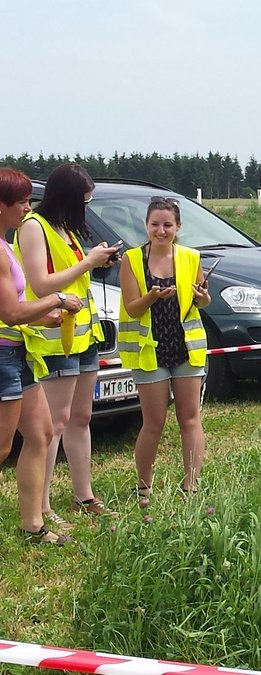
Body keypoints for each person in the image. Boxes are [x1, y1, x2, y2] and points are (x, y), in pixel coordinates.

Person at [16, 164, 119, 527]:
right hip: (53, 337)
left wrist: (96, 261)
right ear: (67, 197)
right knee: (54, 423)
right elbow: (41, 284)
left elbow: (72, 275)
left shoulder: (66, 229)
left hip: (83, 335)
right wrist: (88, 262)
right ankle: (42, 507)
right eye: (84, 199)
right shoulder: (34, 227)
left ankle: (83, 495)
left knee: (80, 417)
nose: (86, 206)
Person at [0, 168, 83, 544]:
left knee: (41, 433)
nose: (27, 208)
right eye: (20, 202)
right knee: (2, 446)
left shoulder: (6, 244)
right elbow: (10, 313)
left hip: (18, 352)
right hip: (3, 356)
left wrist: (43, 317)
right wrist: (57, 300)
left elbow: (15, 308)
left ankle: (33, 526)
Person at [118, 196, 210, 497]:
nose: (161, 230)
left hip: (185, 348)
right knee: (154, 423)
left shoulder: (191, 257)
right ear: (146, 225)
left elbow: (201, 300)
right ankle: (143, 488)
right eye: (155, 224)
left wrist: (202, 297)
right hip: (149, 350)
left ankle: (191, 486)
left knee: (190, 419)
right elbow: (132, 308)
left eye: (167, 225)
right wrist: (153, 296)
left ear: (177, 227)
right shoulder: (132, 259)